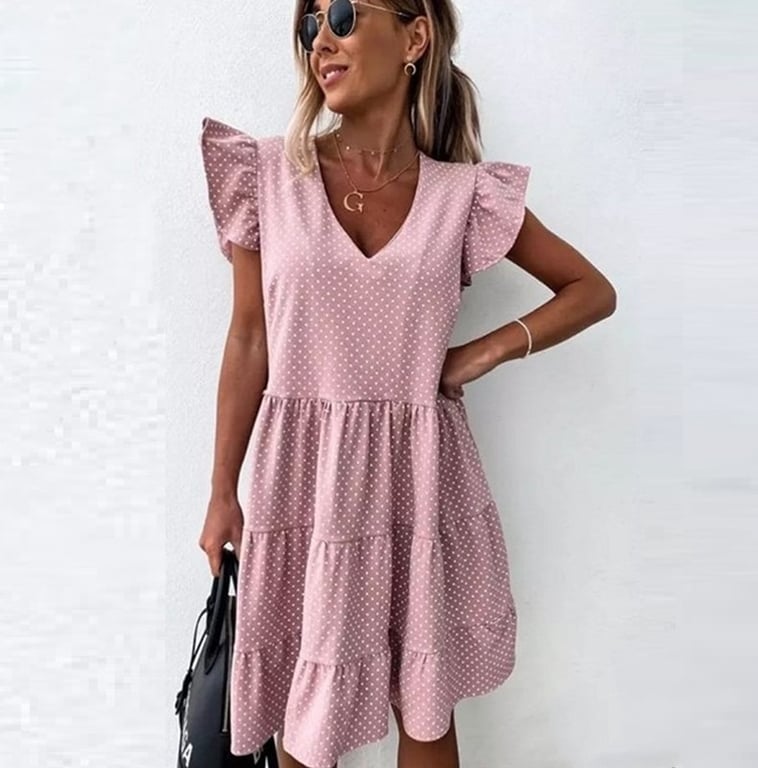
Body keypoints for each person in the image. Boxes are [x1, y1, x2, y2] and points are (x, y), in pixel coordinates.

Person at [197, 1, 617, 766]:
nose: (322, 39)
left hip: (420, 479)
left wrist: (481, 352)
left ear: (415, 36)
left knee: (425, 709)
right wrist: (222, 490)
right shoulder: (267, 176)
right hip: (305, 479)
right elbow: (250, 336)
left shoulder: (465, 196)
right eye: (310, 25)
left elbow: (591, 291)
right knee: (306, 714)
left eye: (344, 15)